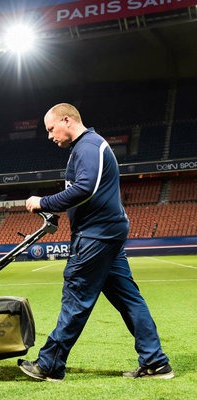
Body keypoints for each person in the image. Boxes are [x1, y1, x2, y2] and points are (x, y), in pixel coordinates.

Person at [18, 103, 173, 381]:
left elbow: (85, 188)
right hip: (105, 234)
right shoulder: (85, 147)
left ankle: (50, 364)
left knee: (76, 297)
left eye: (51, 129)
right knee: (129, 300)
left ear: (67, 120)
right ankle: (156, 363)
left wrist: (45, 202)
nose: (50, 136)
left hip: (96, 236)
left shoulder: (88, 146)